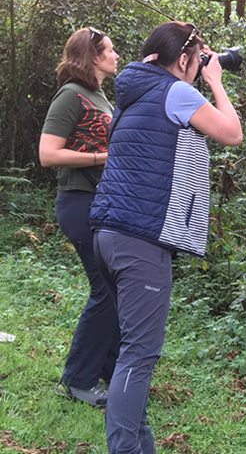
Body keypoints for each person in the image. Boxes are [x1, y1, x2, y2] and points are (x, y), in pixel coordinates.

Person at [89, 21, 242, 454]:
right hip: (141, 240)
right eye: (196, 61)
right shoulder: (176, 91)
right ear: (181, 61)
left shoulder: (133, 93)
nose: (199, 68)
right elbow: (232, 133)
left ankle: (140, 445)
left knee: (131, 353)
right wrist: (214, 82)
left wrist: (203, 71)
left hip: (110, 234)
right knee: (139, 356)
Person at [39, 27, 121, 408]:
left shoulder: (100, 95)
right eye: (110, 50)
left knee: (113, 288)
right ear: (92, 56)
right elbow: (48, 153)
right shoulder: (71, 95)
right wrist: (100, 158)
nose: (116, 55)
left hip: (99, 201)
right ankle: (77, 380)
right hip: (78, 201)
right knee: (105, 289)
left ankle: (111, 369)